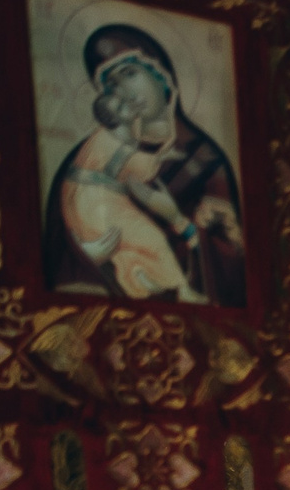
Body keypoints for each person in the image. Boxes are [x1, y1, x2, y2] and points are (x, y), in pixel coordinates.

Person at [43, 23, 245, 305]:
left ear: (160, 74)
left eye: (129, 73)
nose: (124, 90)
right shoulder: (87, 158)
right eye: (111, 85)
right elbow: (58, 255)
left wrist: (177, 220)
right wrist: (87, 253)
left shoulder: (204, 159)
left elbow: (235, 271)